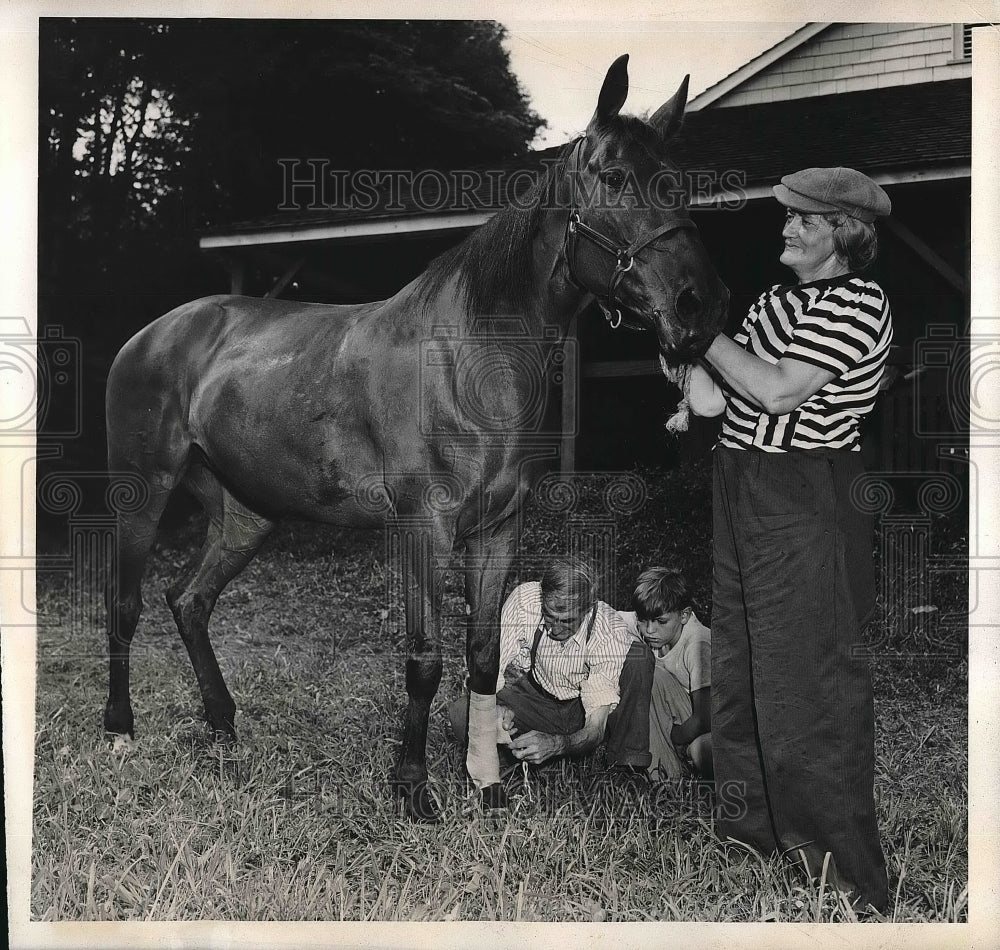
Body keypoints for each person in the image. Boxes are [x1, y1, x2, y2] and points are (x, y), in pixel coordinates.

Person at [688, 166, 892, 913]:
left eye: (801, 220)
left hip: (803, 489)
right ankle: (753, 838)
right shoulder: (775, 301)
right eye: (787, 218)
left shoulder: (858, 303)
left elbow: (775, 390)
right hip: (738, 483)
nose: (785, 228)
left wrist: (704, 334)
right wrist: (685, 346)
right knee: (741, 667)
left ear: (841, 233)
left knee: (808, 679)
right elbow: (714, 397)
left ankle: (844, 877)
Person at [449, 556, 653, 778]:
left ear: (588, 609)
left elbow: (595, 728)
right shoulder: (524, 602)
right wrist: (493, 708)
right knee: (463, 712)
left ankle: (626, 765)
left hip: (581, 708)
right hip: (537, 698)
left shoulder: (608, 629)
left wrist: (558, 744)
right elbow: (490, 664)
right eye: (548, 616)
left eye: (566, 621)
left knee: (638, 657)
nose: (555, 628)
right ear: (542, 596)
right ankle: (519, 762)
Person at [619, 567, 713, 783]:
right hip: (675, 715)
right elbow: (609, 617)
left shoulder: (697, 644)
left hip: (704, 725)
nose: (649, 630)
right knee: (640, 665)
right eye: (643, 620)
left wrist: (675, 736)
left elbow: (705, 717)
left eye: (661, 622)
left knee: (652, 675)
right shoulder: (651, 622)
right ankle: (664, 776)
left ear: (684, 615)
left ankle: (670, 776)